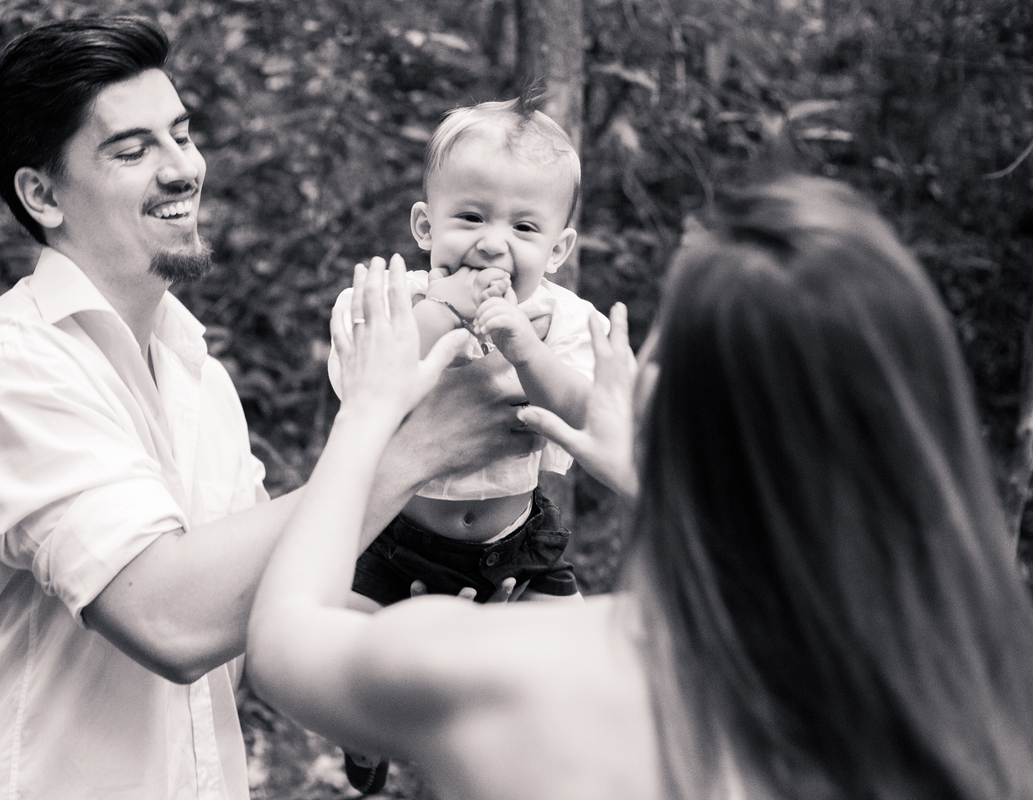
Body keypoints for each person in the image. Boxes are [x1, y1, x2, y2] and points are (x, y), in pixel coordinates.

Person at [0, 17, 539, 800]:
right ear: (43, 195)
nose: (182, 169)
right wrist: (414, 449)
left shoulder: (199, 377)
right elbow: (169, 619)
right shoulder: (3, 370)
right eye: (132, 151)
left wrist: (453, 620)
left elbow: (266, 611)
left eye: (182, 135)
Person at [247, 176, 1033, 799]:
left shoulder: (510, 673)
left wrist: (372, 410)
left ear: (654, 397)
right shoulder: (974, 703)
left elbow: (283, 638)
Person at [326, 95, 602, 793]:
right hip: (397, 538)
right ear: (426, 225)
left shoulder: (566, 320)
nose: (493, 244)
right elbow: (369, 385)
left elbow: (585, 414)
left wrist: (527, 350)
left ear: (558, 249)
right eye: (471, 217)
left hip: (518, 543)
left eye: (524, 226)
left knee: (577, 668)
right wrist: (441, 310)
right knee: (347, 653)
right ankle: (366, 739)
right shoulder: (389, 302)